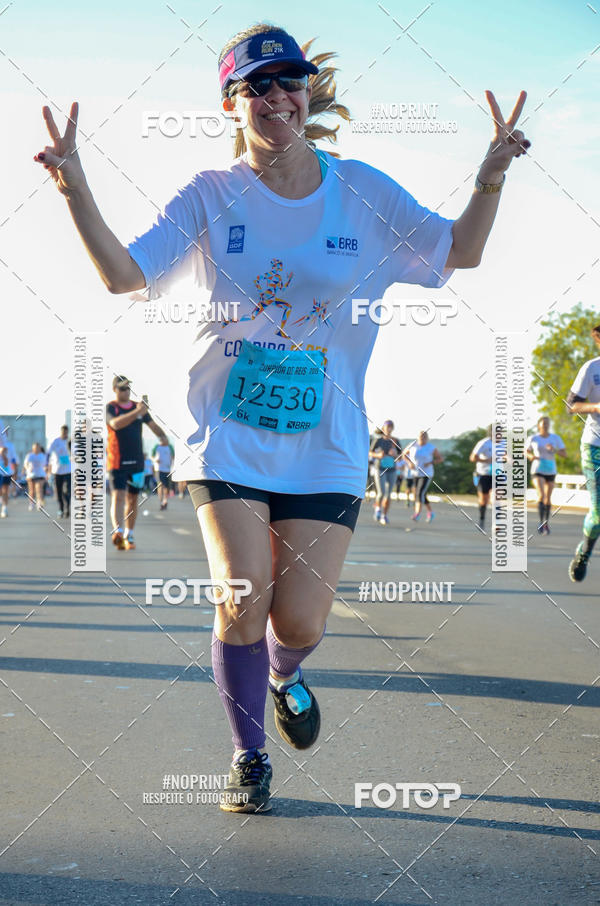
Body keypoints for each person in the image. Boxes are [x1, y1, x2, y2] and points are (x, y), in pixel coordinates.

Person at [35, 21, 529, 813]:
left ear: (308, 92)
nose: (276, 96)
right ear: (232, 104)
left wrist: (491, 174)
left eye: (289, 81)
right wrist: (73, 189)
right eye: (256, 87)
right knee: (242, 596)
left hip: (326, 440)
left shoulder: (361, 189)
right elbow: (125, 274)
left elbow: (458, 250)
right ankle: (248, 756)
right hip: (226, 433)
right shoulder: (210, 193)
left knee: (296, 622)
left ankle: (283, 673)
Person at [106, 376, 167, 550]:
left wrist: (162, 437)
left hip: (137, 461)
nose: (126, 391)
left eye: (127, 388)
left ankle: (129, 534)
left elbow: (153, 425)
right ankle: (117, 530)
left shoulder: (138, 408)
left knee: (133, 499)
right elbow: (115, 424)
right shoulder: (111, 407)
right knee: (118, 496)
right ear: (115, 390)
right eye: (122, 388)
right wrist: (137, 413)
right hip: (117, 460)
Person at [567, 327, 600, 580]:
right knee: (598, 514)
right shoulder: (591, 369)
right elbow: (571, 405)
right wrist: (595, 407)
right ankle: (584, 553)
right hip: (595, 447)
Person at [526, 417, 566, 535]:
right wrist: (530, 456)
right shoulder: (533, 438)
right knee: (542, 495)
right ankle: (540, 521)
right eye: (543, 424)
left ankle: (546, 523)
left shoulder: (555, 438)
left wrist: (553, 449)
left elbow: (564, 454)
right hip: (538, 469)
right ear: (539, 426)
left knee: (548, 498)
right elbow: (525, 451)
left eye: (547, 424)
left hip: (551, 469)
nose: (545, 426)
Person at [404, 431, 444, 523]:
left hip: (426, 473)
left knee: (420, 493)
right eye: (421, 436)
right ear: (418, 437)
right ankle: (430, 512)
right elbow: (404, 454)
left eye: (424, 436)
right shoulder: (413, 445)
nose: (422, 438)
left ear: (427, 438)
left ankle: (417, 514)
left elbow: (440, 458)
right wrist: (409, 462)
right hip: (415, 473)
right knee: (421, 494)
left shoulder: (431, 447)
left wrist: (431, 462)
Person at [369, 420, 402, 525]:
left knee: (388, 495)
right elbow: (369, 452)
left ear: (392, 428)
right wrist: (377, 456)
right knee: (381, 493)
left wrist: (395, 455)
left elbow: (401, 457)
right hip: (380, 469)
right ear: (383, 428)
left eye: (391, 427)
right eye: (387, 427)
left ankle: (384, 515)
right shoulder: (378, 440)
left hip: (392, 469)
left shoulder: (396, 441)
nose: (389, 429)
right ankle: (377, 509)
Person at [470, 426, 493, 530]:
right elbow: (472, 457)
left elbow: (506, 455)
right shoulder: (483, 443)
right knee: (483, 500)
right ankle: (482, 519)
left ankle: (497, 523)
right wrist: (486, 460)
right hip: (483, 474)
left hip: (498, 474)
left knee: (497, 498)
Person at [47, 425, 72, 518]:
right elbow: (48, 453)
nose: (64, 434)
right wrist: (47, 466)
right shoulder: (56, 441)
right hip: (57, 470)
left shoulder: (71, 442)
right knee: (59, 491)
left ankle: (67, 508)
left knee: (67, 491)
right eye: (63, 432)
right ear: (61, 432)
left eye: (66, 432)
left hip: (68, 470)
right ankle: (61, 508)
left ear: (67, 432)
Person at [152, 437, 175, 510]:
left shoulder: (170, 447)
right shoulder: (157, 446)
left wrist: (172, 465)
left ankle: (165, 500)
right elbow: (152, 456)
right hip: (159, 469)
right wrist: (155, 460)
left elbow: (173, 456)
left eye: (164, 439)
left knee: (166, 486)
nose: (162, 441)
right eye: (161, 440)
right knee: (160, 485)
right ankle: (161, 501)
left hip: (168, 469)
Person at [24, 442, 47, 510]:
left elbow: (45, 464)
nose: (36, 449)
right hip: (31, 475)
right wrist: (28, 468)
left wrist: (46, 470)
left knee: (39, 489)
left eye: (38, 448)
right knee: (31, 491)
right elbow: (25, 464)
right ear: (33, 448)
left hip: (40, 475)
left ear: (40, 448)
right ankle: (31, 504)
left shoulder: (42, 455)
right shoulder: (30, 455)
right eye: (35, 448)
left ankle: (39, 503)